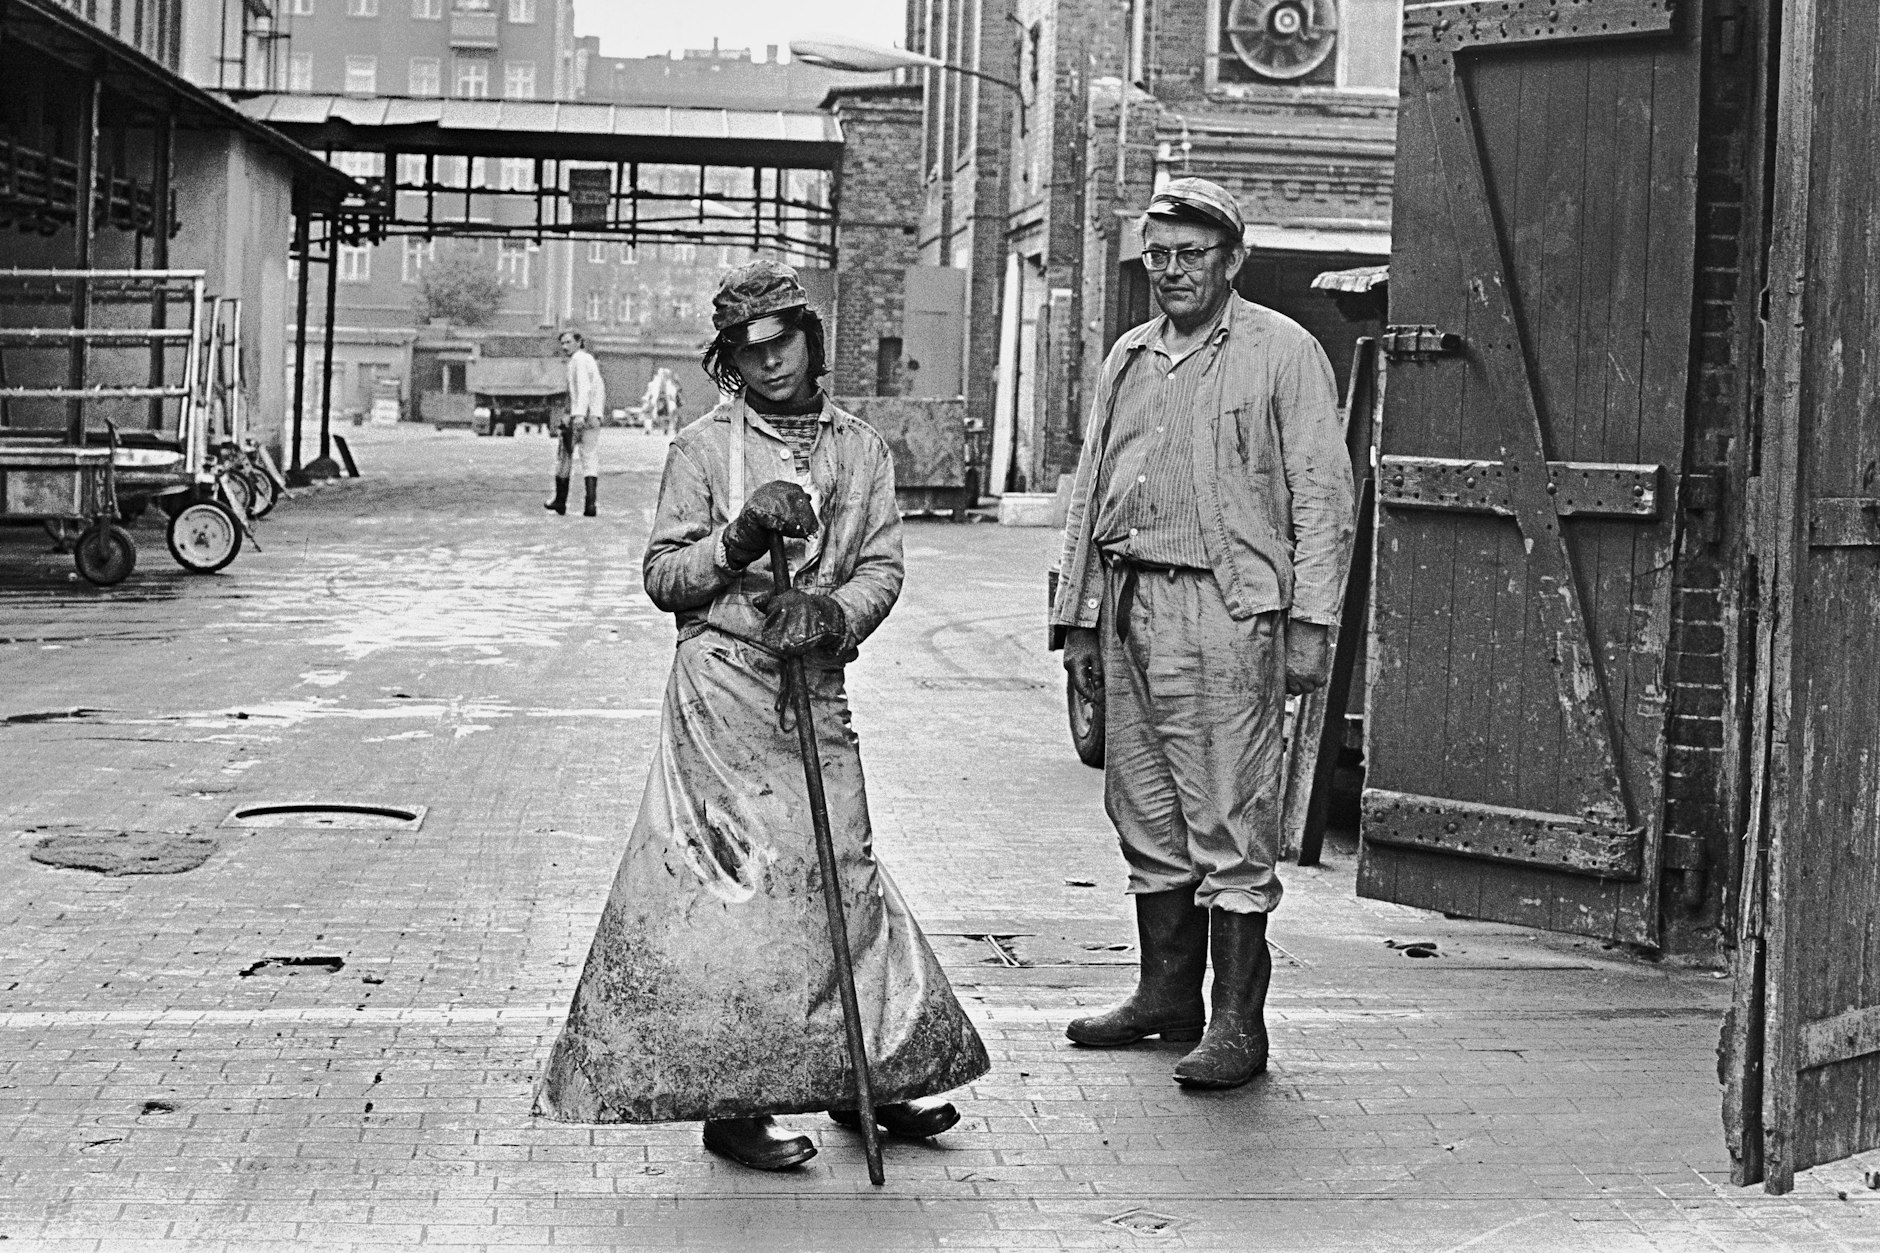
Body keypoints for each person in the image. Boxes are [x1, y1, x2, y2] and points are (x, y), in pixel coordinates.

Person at [535, 259, 989, 1171]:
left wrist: (834, 613)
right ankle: (732, 1104)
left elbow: (883, 568)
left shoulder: (860, 449)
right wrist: (736, 539)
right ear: (730, 360)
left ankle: (870, 1072)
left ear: (810, 341)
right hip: (721, 695)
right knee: (739, 895)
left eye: (783, 341)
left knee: (842, 873)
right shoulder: (701, 450)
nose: (769, 362)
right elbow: (664, 577)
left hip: (813, 686)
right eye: (749, 349)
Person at [1049, 177, 1356, 1090]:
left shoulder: (1283, 351)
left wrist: (1311, 624)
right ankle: (1165, 997)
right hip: (1127, 602)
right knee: (1142, 809)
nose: (1171, 271)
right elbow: (1089, 486)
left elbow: (1324, 499)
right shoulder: (1129, 357)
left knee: (1227, 813)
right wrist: (1076, 618)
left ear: (1231, 260)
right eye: (1158, 255)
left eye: (1189, 254)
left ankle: (1238, 1026)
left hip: (1225, 611)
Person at [546, 328, 605, 517]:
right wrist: (595, 414)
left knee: (564, 455)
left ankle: (560, 502)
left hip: (581, 416)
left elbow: (583, 388)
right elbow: (597, 390)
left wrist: (578, 414)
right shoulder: (590, 360)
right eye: (562, 343)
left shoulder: (578, 359)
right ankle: (590, 505)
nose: (564, 347)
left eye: (568, 342)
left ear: (579, 342)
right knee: (590, 458)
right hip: (594, 416)